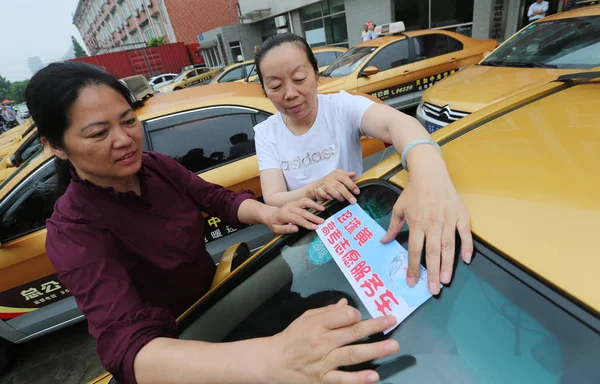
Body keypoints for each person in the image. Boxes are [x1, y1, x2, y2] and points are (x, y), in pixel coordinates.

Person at [25, 62, 400, 384]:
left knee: (346, 318)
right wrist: (274, 358)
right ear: (55, 145)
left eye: (128, 121)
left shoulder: (155, 167)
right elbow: (128, 347)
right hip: (187, 349)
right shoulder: (73, 231)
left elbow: (217, 199)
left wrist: (271, 213)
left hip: (226, 299)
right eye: (98, 133)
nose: (124, 140)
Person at [253, 33, 473, 296]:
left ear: (315, 73)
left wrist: (428, 175)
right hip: (306, 244)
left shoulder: (341, 107)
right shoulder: (266, 132)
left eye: (300, 79)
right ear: (265, 90)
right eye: (276, 86)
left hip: (358, 232)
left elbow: (399, 124)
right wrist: (315, 188)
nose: (290, 93)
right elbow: (274, 198)